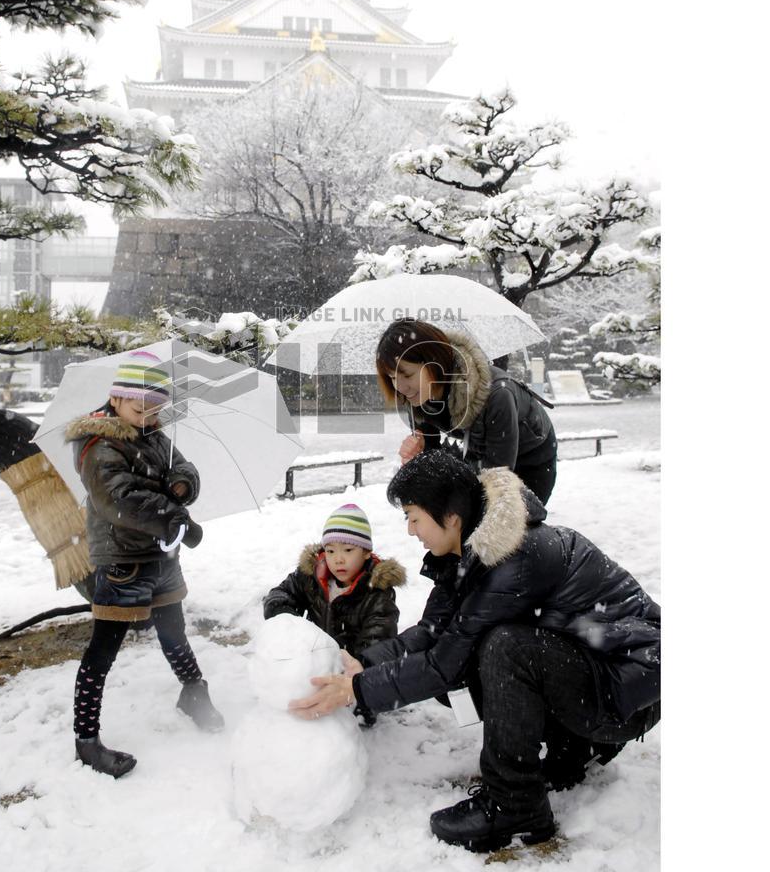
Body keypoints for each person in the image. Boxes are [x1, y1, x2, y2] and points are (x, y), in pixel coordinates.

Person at [289, 450, 660, 854]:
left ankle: (516, 805)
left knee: (503, 650)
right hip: (592, 673)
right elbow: (432, 633)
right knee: (472, 661)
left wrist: (356, 691)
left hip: (627, 690)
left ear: (450, 517)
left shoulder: (517, 557)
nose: (412, 530)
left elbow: (442, 664)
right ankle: (576, 748)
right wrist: (367, 663)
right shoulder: (471, 550)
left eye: (413, 516)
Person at [65, 353, 224, 778]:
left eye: (155, 410)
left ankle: (194, 691)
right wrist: (174, 517)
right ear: (116, 399)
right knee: (105, 646)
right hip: (122, 559)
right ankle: (86, 739)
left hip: (161, 553)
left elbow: (184, 466)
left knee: (173, 627)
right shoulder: (98, 443)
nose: (148, 417)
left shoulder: (153, 433)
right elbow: (119, 499)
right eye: (139, 409)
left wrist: (181, 484)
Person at [375, 319, 558, 504]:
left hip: (532, 457)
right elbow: (432, 457)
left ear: (434, 362)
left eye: (407, 375)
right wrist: (418, 455)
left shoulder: (496, 395)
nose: (400, 387)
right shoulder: (417, 395)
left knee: (510, 522)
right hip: (480, 452)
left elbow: (498, 477)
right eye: (392, 377)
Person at [263, 502, 406, 658]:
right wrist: (293, 625)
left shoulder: (377, 596)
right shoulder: (312, 576)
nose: (338, 559)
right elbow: (278, 597)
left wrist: (347, 665)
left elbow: (376, 648)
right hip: (309, 663)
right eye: (330, 551)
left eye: (348, 550)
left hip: (348, 675)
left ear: (366, 552)